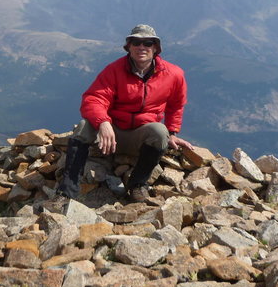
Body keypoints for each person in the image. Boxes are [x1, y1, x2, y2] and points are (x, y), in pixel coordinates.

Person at [57, 24, 193, 203]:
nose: (141, 47)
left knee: (160, 132)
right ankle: (66, 192)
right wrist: (103, 122)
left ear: (156, 48)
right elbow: (93, 99)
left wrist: (172, 132)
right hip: (111, 134)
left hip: (141, 134)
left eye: (148, 43)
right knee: (83, 127)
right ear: (129, 46)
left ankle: (137, 185)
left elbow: (176, 105)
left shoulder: (174, 74)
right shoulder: (114, 70)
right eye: (136, 42)